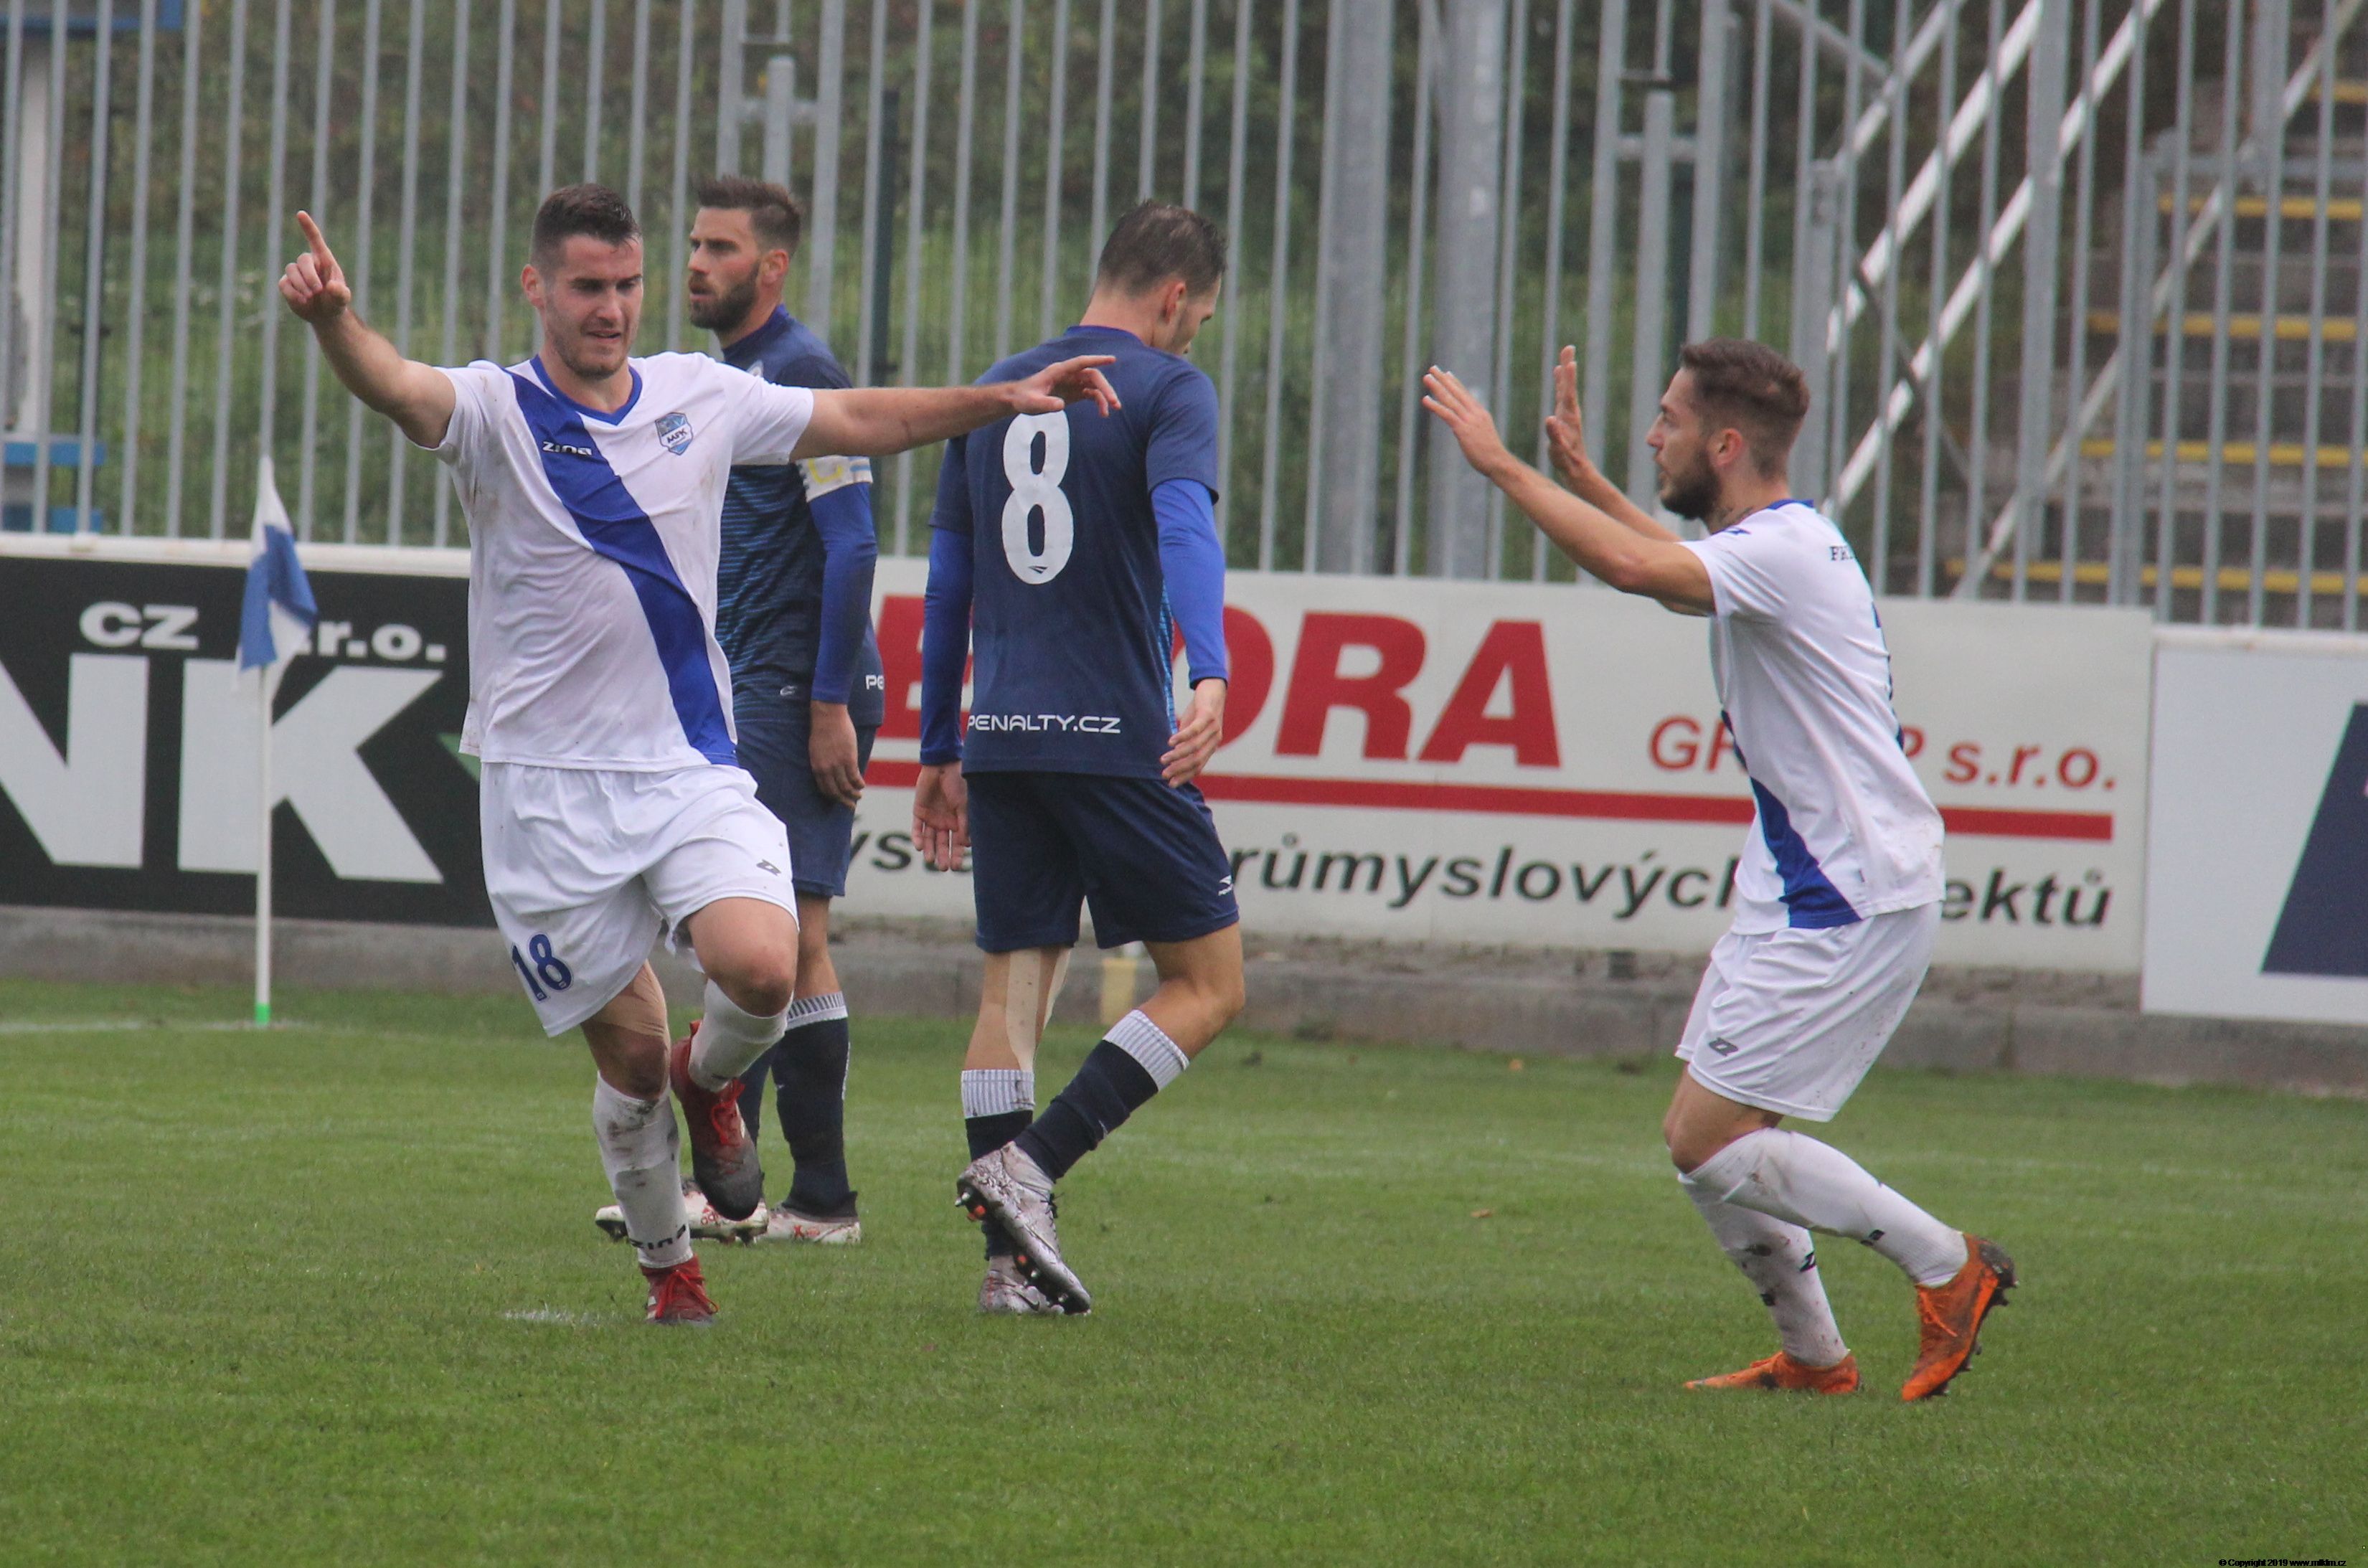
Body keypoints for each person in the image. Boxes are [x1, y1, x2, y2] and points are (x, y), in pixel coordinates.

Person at [278, 184, 1115, 1324]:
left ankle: (708, 1080)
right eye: (587, 286)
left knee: (764, 968)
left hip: (687, 769)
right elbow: (396, 384)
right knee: (625, 1070)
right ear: (536, 288)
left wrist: (999, 398)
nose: (611, 307)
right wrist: (336, 321)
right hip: (544, 792)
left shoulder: (700, 394)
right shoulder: (494, 409)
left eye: (627, 285)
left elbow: (858, 418)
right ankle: (672, 1273)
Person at [1422, 339, 2014, 1400]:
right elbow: (1669, 571)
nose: (1654, 435)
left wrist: (1500, 466)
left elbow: (1634, 569)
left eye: (1670, 419)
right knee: (1699, 1137)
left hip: (1847, 892)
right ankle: (1814, 1359)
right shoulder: (1780, 543)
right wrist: (1583, 479)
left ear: (1726, 443)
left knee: (1711, 1141)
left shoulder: (1782, 551)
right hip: (1803, 883)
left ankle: (1948, 1266)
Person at [910, 202, 1246, 1316]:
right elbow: (1186, 526)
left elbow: (949, 580)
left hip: (1001, 736)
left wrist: (939, 740)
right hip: (1113, 736)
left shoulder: (995, 388)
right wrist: (1210, 669)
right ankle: (1034, 1163)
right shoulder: (1168, 389)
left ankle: (1007, 1271)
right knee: (1210, 982)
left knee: (1011, 990)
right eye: (1198, 315)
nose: (1192, 333)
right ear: (1173, 297)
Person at [590, 174, 882, 1250]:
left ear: (773, 266)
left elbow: (854, 541)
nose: (696, 264)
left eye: (720, 248)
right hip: (750, 682)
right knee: (777, 937)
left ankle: (778, 1193)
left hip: (796, 687)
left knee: (780, 935)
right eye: (695, 244)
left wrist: (827, 701)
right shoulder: (718, 378)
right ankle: (795, 1196)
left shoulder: (802, 373)